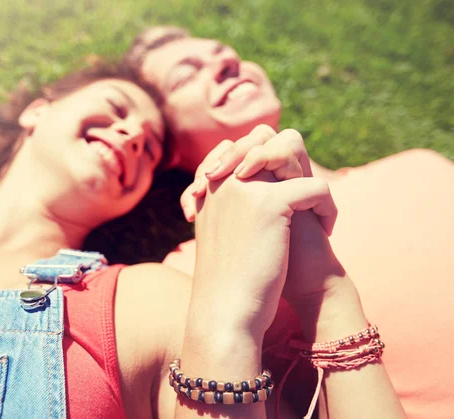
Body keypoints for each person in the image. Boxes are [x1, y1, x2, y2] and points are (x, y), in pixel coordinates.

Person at [0, 62, 406, 418]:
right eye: (117, 109)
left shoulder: (144, 305)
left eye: (146, 148)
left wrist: (322, 296)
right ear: (38, 110)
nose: (130, 134)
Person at [123, 26, 454, 419]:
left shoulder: (418, 165)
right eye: (185, 75)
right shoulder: (196, 274)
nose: (225, 62)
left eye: (223, 52)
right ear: (166, 145)